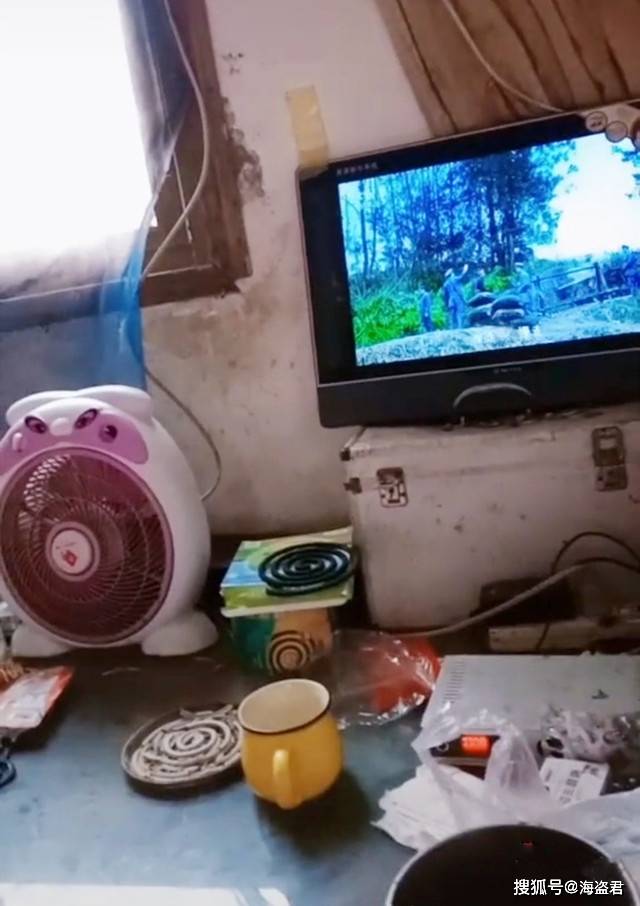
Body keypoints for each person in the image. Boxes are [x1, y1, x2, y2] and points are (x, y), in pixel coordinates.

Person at [443, 264, 469, 329]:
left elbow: (445, 296)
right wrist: (465, 269)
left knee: (452, 315)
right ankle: (459, 328)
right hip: (458, 299)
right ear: (452, 274)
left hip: (451, 301)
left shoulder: (445, 284)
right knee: (459, 313)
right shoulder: (455, 279)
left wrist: (446, 304)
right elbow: (462, 276)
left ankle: (452, 328)